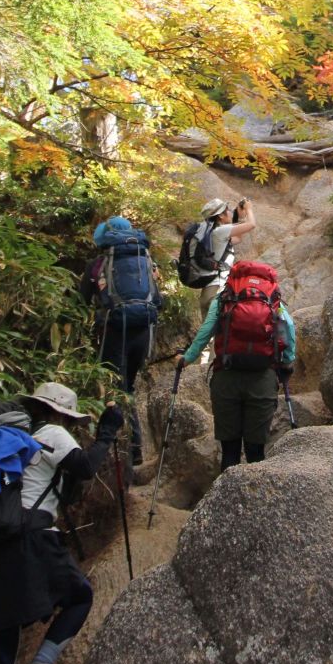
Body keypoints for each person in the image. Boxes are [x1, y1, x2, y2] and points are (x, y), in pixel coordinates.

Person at [0, 383, 123, 664]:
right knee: (80, 596)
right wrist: (107, 433)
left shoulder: (17, 438)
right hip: (32, 539)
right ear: (59, 413)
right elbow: (84, 467)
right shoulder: (52, 432)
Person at [178, 260, 296, 471]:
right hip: (262, 379)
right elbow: (287, 331)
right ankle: (256, 499)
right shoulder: (273, 301)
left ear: (233, 278)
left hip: (226, 377)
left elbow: (206, 332)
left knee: (230, 451)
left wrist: (187, 358)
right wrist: (286, 364)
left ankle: (227, 498)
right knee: (256, 452)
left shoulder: (225, 298)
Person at [82, 216, 162, 465]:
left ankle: (124, 452)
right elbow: (158, 299)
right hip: (143, 331)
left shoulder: (98, 264)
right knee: (129, 388)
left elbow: (82, 299)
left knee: (116, 389)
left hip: (115, 330)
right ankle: (135, 450)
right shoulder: (147, 260)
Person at [196, 196, 258, 311]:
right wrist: (249, 208)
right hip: (215, 291)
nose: (230, 212)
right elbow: (252, 225)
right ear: (220, 215)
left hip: (210, 290)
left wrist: (239, 216)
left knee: (212, 328)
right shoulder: (220, 231)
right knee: (213, 328)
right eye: (228, 210)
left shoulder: (213, 233)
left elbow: (238, 239)